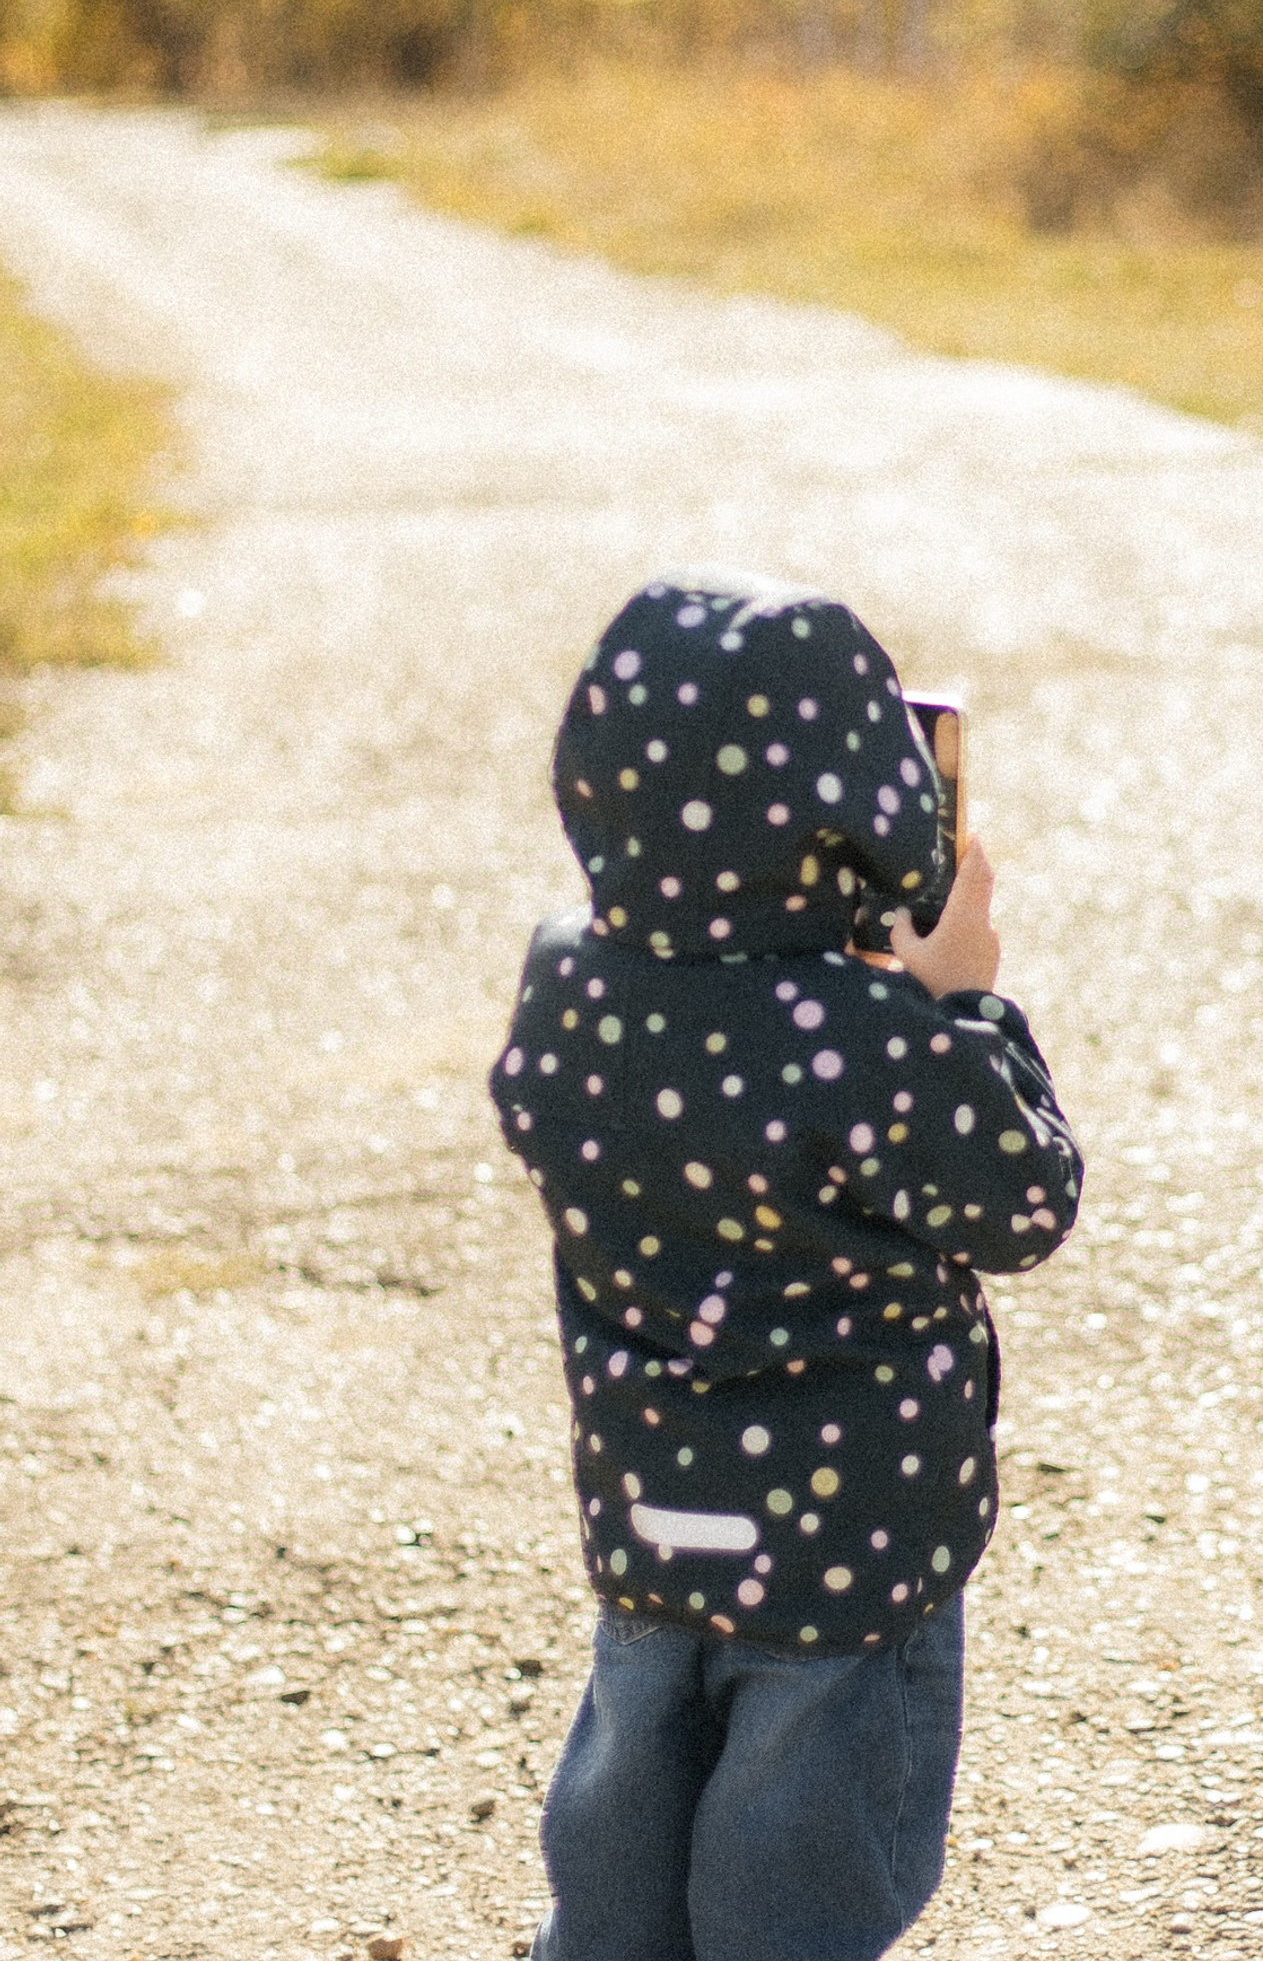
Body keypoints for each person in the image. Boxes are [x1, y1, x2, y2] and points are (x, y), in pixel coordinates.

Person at [492, 572, 1081, 1957]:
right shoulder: (867, 1036)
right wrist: (963, 1008)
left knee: (628, 1805)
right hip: (849, 1533)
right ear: (864, 805)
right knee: (797, 1859)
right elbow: (1025, 1201)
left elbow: (562, 1108)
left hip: (649, 1506)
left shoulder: (568, 982)